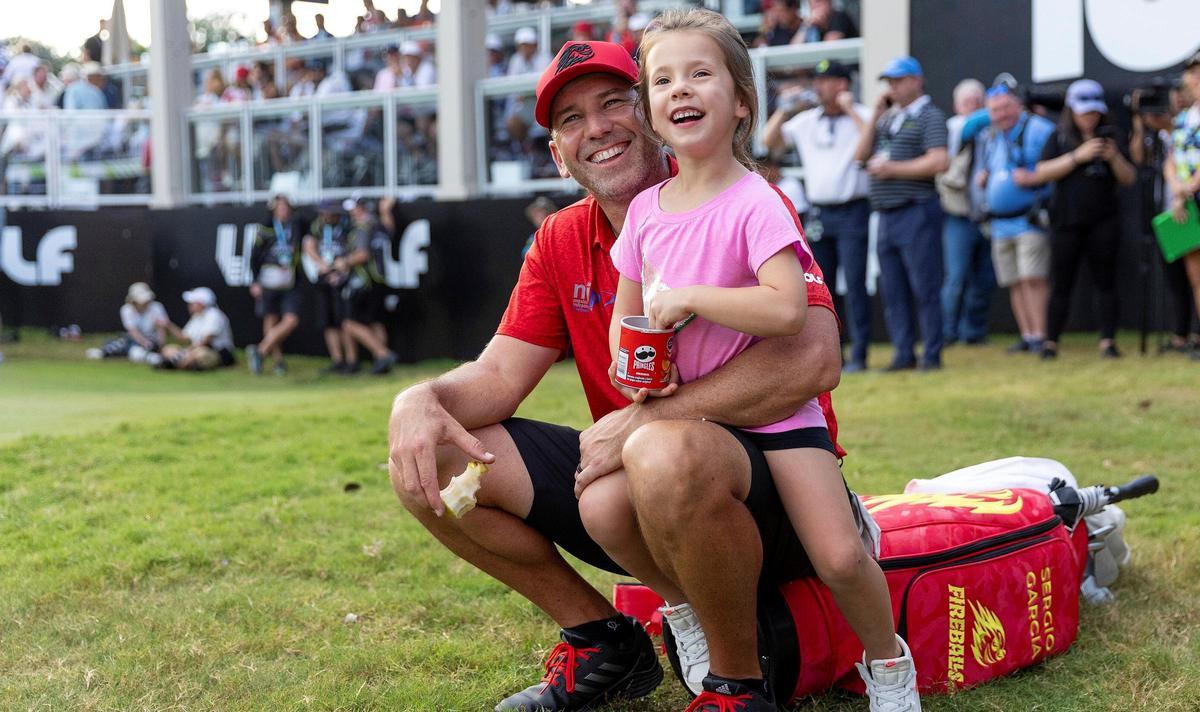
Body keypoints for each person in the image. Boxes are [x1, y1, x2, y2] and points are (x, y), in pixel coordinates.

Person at [387, 38, 845, 712]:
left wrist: (646, 418)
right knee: (439, 454)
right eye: (570, 119)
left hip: (773, 488)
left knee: (667, 448)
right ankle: (604, 642)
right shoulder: (561, 238)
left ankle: (736, 686)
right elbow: (498, 375)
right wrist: (419, 399)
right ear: (558, 156)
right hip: (633, 490)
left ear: (655, 113)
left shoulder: (739, 200)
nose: (595, 128)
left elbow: (815, 357)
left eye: (613, 102)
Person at [604, 10, 916, 710]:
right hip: (697, 423)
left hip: (776, 416)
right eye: (662, 79)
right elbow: (626, 327)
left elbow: (785, 311)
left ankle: (889, 665)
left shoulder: (759, 201)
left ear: (741, 101)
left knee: (839, 557)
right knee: (601, 510)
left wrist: (694, 297)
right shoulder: (646, 212)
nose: (680, 88)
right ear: (651, 111)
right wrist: (636, 368)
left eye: (699, 73)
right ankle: (692, 621)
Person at [764, 59, 873, 371]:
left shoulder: (861, 115)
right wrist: (785, 108)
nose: (819, 86)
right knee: (820, 283)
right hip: (820, 212)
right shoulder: (808, 119)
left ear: (842, 84)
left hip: (853, 208)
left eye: (826, 81)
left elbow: (869, 142)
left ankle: (860, 353)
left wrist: (851, 109)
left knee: (854, 282)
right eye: (817, 81)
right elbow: (770, 140)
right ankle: (831, 351)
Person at [1016, 79, 1136, 359]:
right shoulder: (1058, 137)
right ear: (1072, 111)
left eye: (1094, 112)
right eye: (1084, 113)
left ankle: (1108, 341)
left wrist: (1113, 157)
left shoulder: (1113, 136)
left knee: (1106, 282)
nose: (1090, 118)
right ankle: (1050, 343)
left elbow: (1129, 178)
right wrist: (1077, 157)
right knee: (1062, 283)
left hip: (1104, 220)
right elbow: (1042, 172)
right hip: (1067, 221)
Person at [854, 55, 949, 371]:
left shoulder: (930, 116)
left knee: (924, 287)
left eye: (898, 81)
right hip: (886, 215)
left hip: (916, 210)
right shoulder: (888, 118)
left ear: (916, 81)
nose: (892, 87)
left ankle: (932, 354)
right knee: (893, 290)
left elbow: (939, 161)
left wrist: (893, 169)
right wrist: (874, 116)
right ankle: (903, 353)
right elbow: (860, 156)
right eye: (889, 82)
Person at [977, 79, 1054, 355]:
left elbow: (1054, 166)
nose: (1001, 115)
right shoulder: (992, 136)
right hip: (999, 222)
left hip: (1029, 218)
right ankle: (1027, 334)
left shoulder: (1037, 129)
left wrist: (1034, 178)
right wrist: (984, 178)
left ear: (1018, 106)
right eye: (995, 111)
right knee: (1014, 280)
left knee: (1033, 276)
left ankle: (1041, 335)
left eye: (1005, 108)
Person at [939, 78, 994, 347]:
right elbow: (971, 126)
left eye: (977, 101)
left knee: (983, 279)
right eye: (966, 101)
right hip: (957, 214)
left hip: (985, 214)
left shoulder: (992, 130)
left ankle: (973, 332)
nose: (972, 106)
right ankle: (948, 331)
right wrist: (1001, 105)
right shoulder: (953, 126)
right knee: (956, 277)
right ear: (956, 105)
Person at [1164, 53, 1200, 361]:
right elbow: (1172, 159)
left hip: (1191, 194)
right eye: (1194, 73)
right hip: (1188, 202)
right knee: (1195, 274)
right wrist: (1177, 189)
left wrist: (1188, 188)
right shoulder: (1184, 118)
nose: (1197, 78)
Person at [247, 195, 304, 375]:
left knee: (291, 320)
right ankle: (278, 361)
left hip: (290, 281)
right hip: (268, 280)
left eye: (286, 207)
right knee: (270, 320)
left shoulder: (296, 226)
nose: (283, 211)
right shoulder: (265, 228)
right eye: (279, 208)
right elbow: (254, 257)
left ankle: (260, 351)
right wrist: (255, 281)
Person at [342, 198, 398, 375]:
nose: (352, 214)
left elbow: (362, 255)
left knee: (349, 323)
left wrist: (343, 262)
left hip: (364, 281)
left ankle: (383, 354)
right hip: (380, 280)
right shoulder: (379, 225)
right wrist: (385, 211)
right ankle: (382, 364)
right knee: (376, 322)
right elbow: (390, 229)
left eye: (355, 210)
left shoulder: (363, 227)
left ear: (363, 210)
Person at [303, 200, 353, 373]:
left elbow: (353, 252)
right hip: (324, 278)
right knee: (328, 322)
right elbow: (308, 246)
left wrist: (341, 270)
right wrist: (321, 264)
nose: (326, 216)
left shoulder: (347, 226)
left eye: (330, 213)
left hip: (343, 278)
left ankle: (351, 361)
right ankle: (337, 360)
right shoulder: (317, 226)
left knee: (344, 321)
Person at [86, 283, 168, 362]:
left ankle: (149, 356)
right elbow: (133, 331)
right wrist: (144, 343)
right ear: (134, 301)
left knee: (137, 348)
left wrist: (160, 346)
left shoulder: (157, 307)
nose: (145, 303)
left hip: (152, 340)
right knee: (122, 343)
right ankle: (104, 353)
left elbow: (161, 330)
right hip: (135, 340)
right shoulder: (126, 310)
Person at [159, 288, 235, 371]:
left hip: (217, 352)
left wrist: (187, 351)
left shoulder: (214, 315)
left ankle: (174, 364)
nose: (189, 305)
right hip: (195, 349)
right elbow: (184, 338)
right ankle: (179, 363)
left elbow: (206, 341)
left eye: (192, 302)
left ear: (201, 303)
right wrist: (168, 324)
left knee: (199, 354)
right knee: (167, 349)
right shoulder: (196, 316)